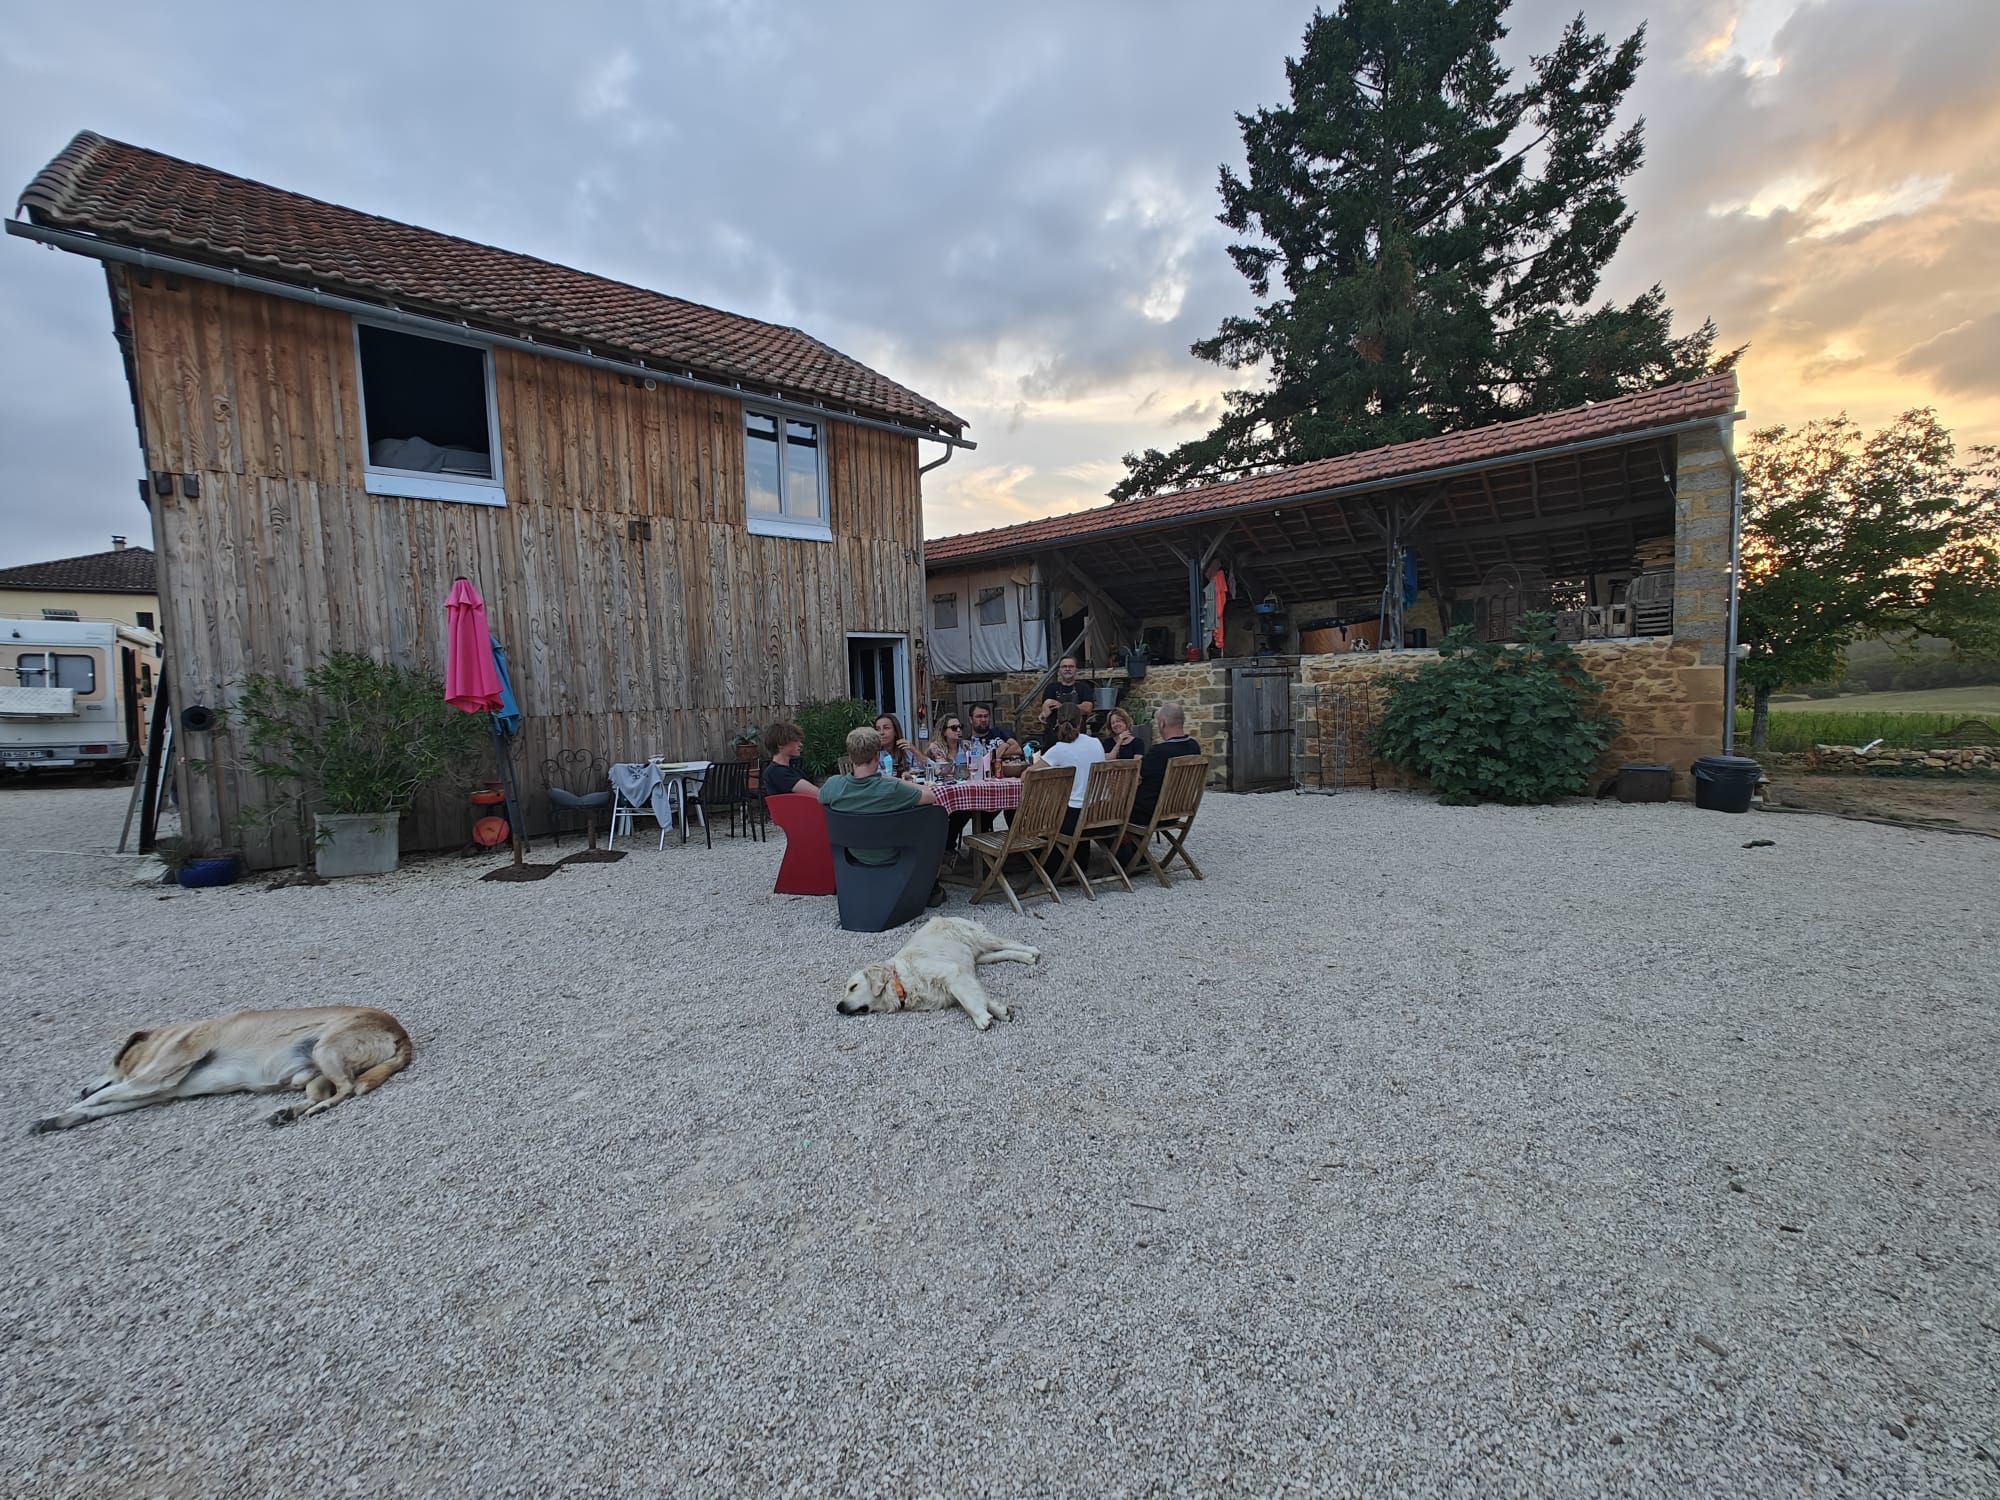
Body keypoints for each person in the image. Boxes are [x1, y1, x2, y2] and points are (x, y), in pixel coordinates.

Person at [818, 727, 945, 904]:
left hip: (853, 853)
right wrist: (893, 779)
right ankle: (932, 887)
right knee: (934, 826)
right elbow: (931, 796)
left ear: (850, 755)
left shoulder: (833, 785)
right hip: (893, 854)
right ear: (877, 756)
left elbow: (821, 798)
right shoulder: (891, 789)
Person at [1117, 700, 1200, 866]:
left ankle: (1124, 861)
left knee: (1109, 811)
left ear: (1162, 723)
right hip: (1176, 811)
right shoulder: (1194, 747)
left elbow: (1136, 776)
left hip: (1149, 814)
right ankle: (1137, 857)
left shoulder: (1160, 752)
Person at [1038, 706, 1105, 837]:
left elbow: (1028, 775)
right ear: (1080, 722)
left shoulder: (1059, 749)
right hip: (1100, 814)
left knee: (1040, 813)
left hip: (1073, 819)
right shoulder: (1096, 743)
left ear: (1058, 722)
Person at [1035, 656, 1095, 736]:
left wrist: (1062, 706)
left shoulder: (1083, 688)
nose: (1067, 669)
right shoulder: (1051, 688)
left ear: (1076, 670)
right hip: (1055, 735)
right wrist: (1044, 714)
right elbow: (1047, 705)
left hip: (1077, 735)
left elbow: (1087, 708)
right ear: (1059, 670)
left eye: (1071, 666)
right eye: (1064, 666)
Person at [759, 720, 815, 798]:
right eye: (795, 741)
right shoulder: (777, 772)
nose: (800, 744)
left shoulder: (790, 770)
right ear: (780, 743)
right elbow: (818, 794)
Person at [873, 713, 920, 777]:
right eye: (878, 729)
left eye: (886, 728)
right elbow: (876, 775)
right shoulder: (873, 753)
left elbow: (925, 770)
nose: (881, 733)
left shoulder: (906, 750)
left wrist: (915, 751)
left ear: (895, 731)